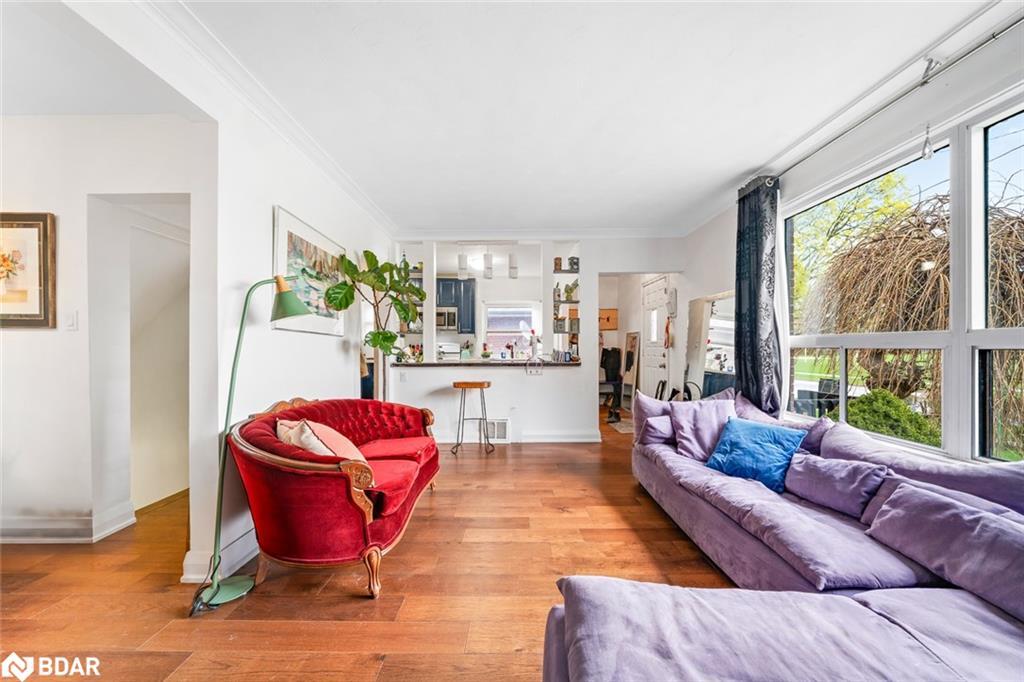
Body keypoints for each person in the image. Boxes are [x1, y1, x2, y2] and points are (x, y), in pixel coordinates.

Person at [600, 346, 623, 423]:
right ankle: (614, 411)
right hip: (611, 361)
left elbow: (603, 364)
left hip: (612, 361)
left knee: (616, 387)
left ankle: (614, 411)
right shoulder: (607, 353)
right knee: (615, 387)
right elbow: (603, 364)